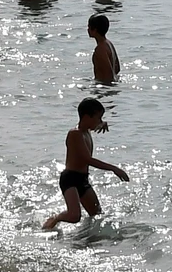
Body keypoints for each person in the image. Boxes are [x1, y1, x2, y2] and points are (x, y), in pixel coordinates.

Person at [44, 98, 129, 230]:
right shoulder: (75, 134)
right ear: (86, 117)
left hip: (83, 179)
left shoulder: (87, 130)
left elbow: (95, 124)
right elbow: (88, 160)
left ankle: (90, 238)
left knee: (97, 215)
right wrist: (114, 169)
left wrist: (102, 123)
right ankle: (55, 218)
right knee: (74, 216)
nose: (100, 121)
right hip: (70, 179)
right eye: (98, 118)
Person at [89, 14, 120, 83]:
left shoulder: (100, 49)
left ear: (95, 30)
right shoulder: (109, 44)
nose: (87, 29)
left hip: (103, 87)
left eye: (89, 27)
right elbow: (117, 69)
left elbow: (109, 76)